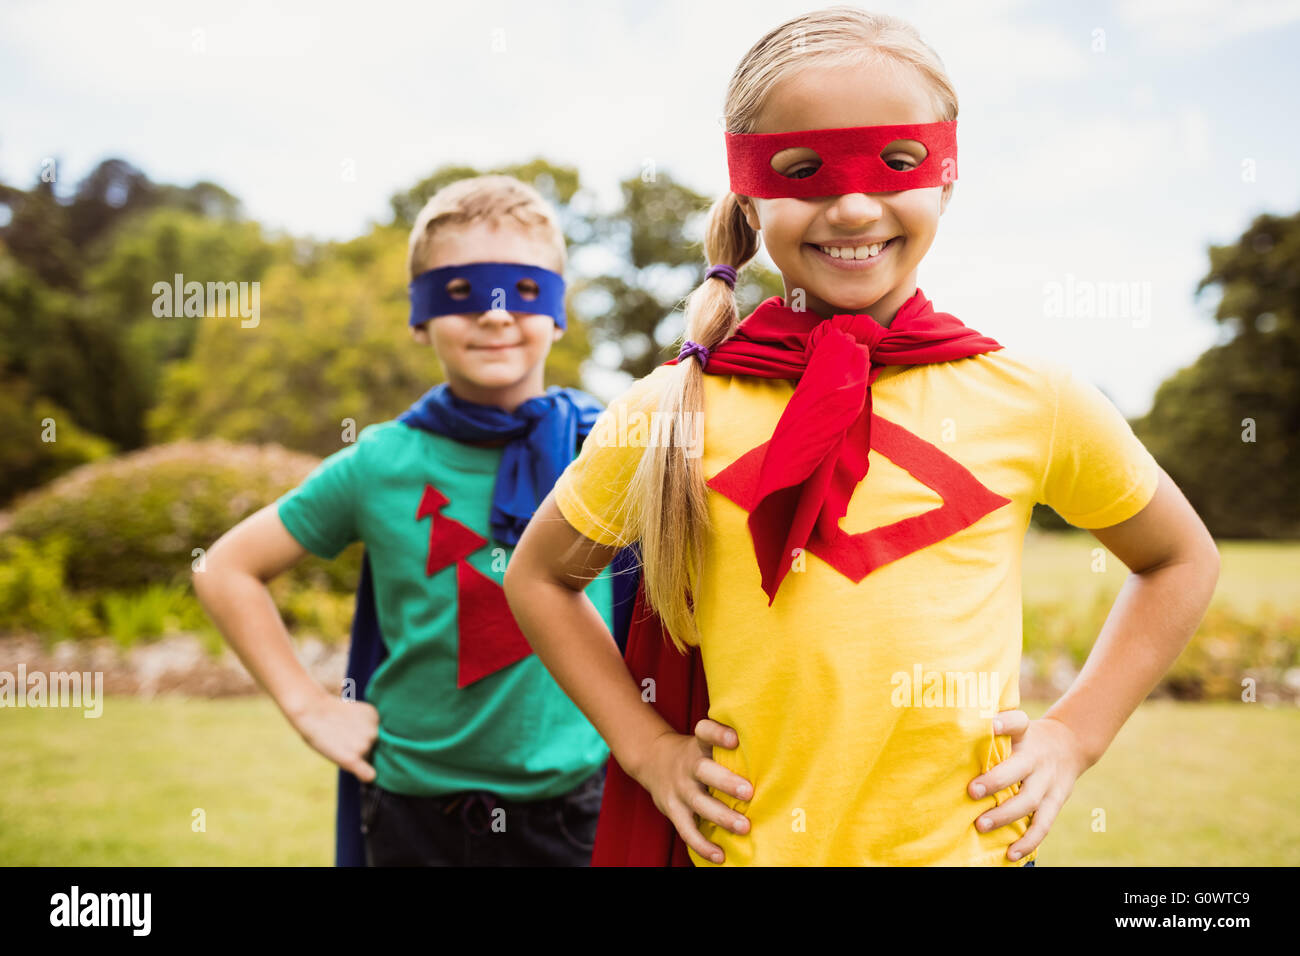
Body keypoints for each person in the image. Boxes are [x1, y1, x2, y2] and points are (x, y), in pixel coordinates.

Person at [501, 8, 1219, 866]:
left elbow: (1180, 558)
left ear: (947, 178)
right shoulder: (671, 407)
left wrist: (1074, 736)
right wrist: (649, 750)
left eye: (895, 162)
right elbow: (542, 577)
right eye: (802, 171)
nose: (850, 204)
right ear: (749, 195)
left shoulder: (1035, 397)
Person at [193, 174, 637, 866]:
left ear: (559, 310)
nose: (494, 316)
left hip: (576, 812)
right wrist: (308, 707)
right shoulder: (382, 462)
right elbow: (225, 568)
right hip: (414, 816)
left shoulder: (610, 447)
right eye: (461, 292)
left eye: (521, 290)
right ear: (419, 314)